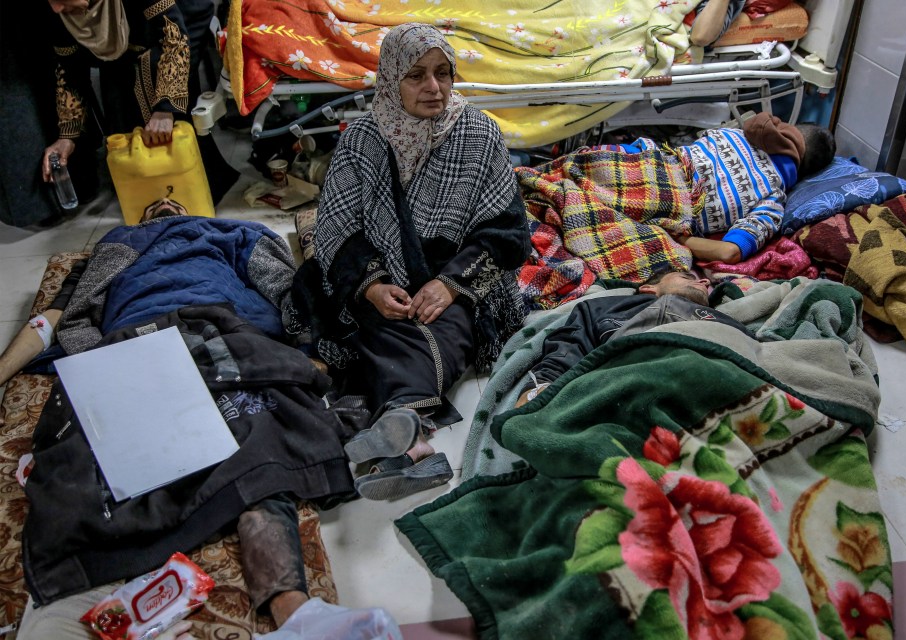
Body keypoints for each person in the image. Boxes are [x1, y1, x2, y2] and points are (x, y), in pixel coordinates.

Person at [2, 201, 349, 636]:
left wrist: (303, 346)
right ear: (143, 218)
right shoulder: (119, 242)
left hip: (220, 325)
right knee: (89, 460)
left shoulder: (232, 232)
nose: (165, 202)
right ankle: (66, 611)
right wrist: (94, 362)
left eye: (173, 201)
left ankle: (292, 609)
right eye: (154, 205)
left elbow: (285, 289)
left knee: (255, 435)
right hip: (134, 338)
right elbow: (64, 317)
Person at [292, 23, 531, 501]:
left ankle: (405, 432)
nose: (434, 87)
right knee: (376, 321)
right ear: (390, 80)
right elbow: (338, 227)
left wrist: (450, 284)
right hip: (375, 272)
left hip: (457, 274)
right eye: (417, 75)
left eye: (443, 74)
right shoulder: (362, 137)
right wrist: (373, 286)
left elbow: (507, 233)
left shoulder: (477, 132)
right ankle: (413, 438)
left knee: (448, 324)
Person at [40, 0, 237, 207]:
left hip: (183, 15)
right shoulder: (60, 11)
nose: (56, 8)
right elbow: (71, 72)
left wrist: (165, 109)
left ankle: (193, 189)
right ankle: (151, 194)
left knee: (168, 102)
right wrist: (67, 135)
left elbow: (175, 38)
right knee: (121, 105)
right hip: (124, 35)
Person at [516, 271, 753, 407]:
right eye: (685, 275)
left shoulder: (728, 322)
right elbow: (566, 352)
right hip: (628, 394)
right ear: (649, 288)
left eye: (705, 282)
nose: (704, 281)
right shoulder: (605, 308)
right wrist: (535, 397)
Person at [626, 111, 836, 265]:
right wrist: (676, 239)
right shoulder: (772, 200)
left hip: (629, 160)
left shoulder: (732, 133)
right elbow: (729, 252)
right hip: (653, 211)